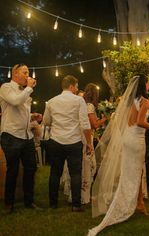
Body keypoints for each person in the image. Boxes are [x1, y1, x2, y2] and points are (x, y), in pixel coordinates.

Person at [87, 74, 149, 236]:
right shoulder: (144, 102)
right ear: (143, 85)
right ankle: (132, 204)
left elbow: (129, 120)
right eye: (147, 83)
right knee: (137, 171)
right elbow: (140, 122)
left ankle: (139, 203)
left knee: (130, 172)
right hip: (137, 140)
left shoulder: (129, 101)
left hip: (127, 138)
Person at [42, 75, 92, 212]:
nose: (77, 89)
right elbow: (85, 124)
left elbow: (46, 122)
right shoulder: (78, 100)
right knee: (76, 173)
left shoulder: (51, 101)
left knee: (55, 172)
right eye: (76, 86)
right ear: (71, 86)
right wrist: (89, 143)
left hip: (56, 141)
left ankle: (53, 203)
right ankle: (76, 205)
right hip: (74, 141)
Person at [0, 63, 39, 213]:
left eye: (28, 73)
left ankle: (29, 201)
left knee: (31, 169)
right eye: (25, 72)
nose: (28, 76)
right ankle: (9, 204)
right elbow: (15, 102)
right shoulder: (6, 88)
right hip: (11, 136)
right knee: (13, 170)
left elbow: (20, 113)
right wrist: (29, 88)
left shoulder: (25, 92)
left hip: (26, 136)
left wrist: (32, 116)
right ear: (15, 74)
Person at [62, 83, 107, 204]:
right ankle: (84, 197)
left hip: (78, 137)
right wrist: (106, 118)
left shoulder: (80, 103)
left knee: (80, 167)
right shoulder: (90, 106)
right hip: (86, 138)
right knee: (88, 167)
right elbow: (95, 125)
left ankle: (79, 195)